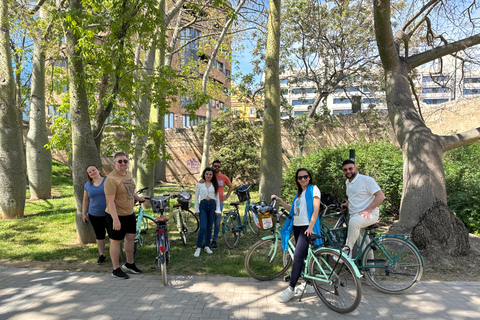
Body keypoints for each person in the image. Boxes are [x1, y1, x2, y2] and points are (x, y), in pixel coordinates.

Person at [272, 168, 322, 303]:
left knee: (298, 257)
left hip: (307, 227)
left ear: (309, 177)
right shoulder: (299, 194)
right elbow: (292, 209)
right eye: (300, 177)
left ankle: (291, 288)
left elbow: (316, 209)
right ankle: (309, 284)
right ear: (297, 180)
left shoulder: (313, 189)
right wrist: (280, 201)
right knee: (305, 257)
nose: (303, 179)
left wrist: (311, 227)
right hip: (297, 226)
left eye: (305, 176)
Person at [104, 152, 148, 279]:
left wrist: (138, 198)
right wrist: (116, 220)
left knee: (131, 238)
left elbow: (130, 189)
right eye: (120, 161)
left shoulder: (128, 174)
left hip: (129, 213)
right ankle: (115, 269)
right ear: (115, 163)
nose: (123, 163)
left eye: (125, 161)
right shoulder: (111, 180)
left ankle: (129, 264)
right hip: (115, 215)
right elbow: (110, 201)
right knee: (116, 242)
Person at [340, 159, 385, 259]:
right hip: (356, 216)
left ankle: (346, 251)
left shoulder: (366, 180)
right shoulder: (347, 182)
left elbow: (380, 196)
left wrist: (368, 210)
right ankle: (370, 271)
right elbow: (354, 197)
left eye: (350, 169)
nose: (348, 171)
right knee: (364, 245)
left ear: (355, 168)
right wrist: (346, 204)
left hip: (369, 215)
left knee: (354, 222)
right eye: (345, 170)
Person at [82, 165, 108, 264]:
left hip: (109, 213)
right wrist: (84, 213)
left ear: (99, 170)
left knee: (113, 235)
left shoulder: (107, 181)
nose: (92, 172)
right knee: (99, 235)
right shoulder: (87, 185)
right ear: (88, 175)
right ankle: (102, 255)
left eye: (93, 170)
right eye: (89, 172)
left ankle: (116, 253)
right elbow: (85, 200)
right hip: (94, 214)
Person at [193, 167, 221, 257]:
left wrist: (218, 210)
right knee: (203, 227)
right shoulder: (200, 184)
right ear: (204, 175)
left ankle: (207, 246)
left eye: (210, 174)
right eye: (207, 174)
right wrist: (196, 209)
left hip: (212, 205)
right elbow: (196, 197)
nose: (208, 176)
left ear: (212, 176)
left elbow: (217, 198)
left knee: (209, 227)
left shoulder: (214, 184)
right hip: (203, 205)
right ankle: (198, 247)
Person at [210, 160, 232, 249]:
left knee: (217, 223)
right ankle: (207, 240)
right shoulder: (208, 175)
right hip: (209, 202)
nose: (217, 168)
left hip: (219, 203)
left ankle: (214, 241)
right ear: (212, 166)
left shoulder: (223, 177)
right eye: (215, 166)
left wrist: (226, 196)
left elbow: (231, 186)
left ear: (220, 168)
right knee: (209, 222)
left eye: (218, 166)